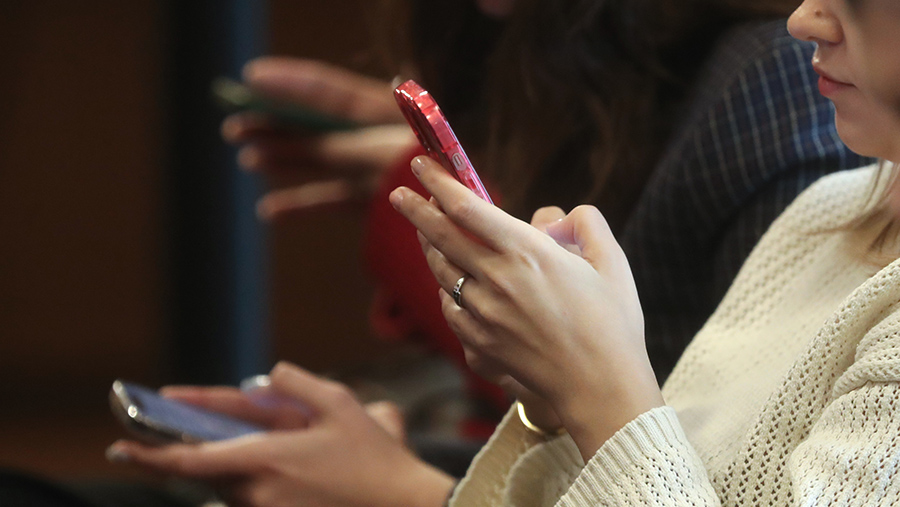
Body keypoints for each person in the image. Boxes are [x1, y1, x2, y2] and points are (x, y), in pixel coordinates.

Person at [227, 0, 871, 436]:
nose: (806, 17)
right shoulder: (552, 72)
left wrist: (402, 493)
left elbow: (709, 457)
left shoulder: (778, 85)